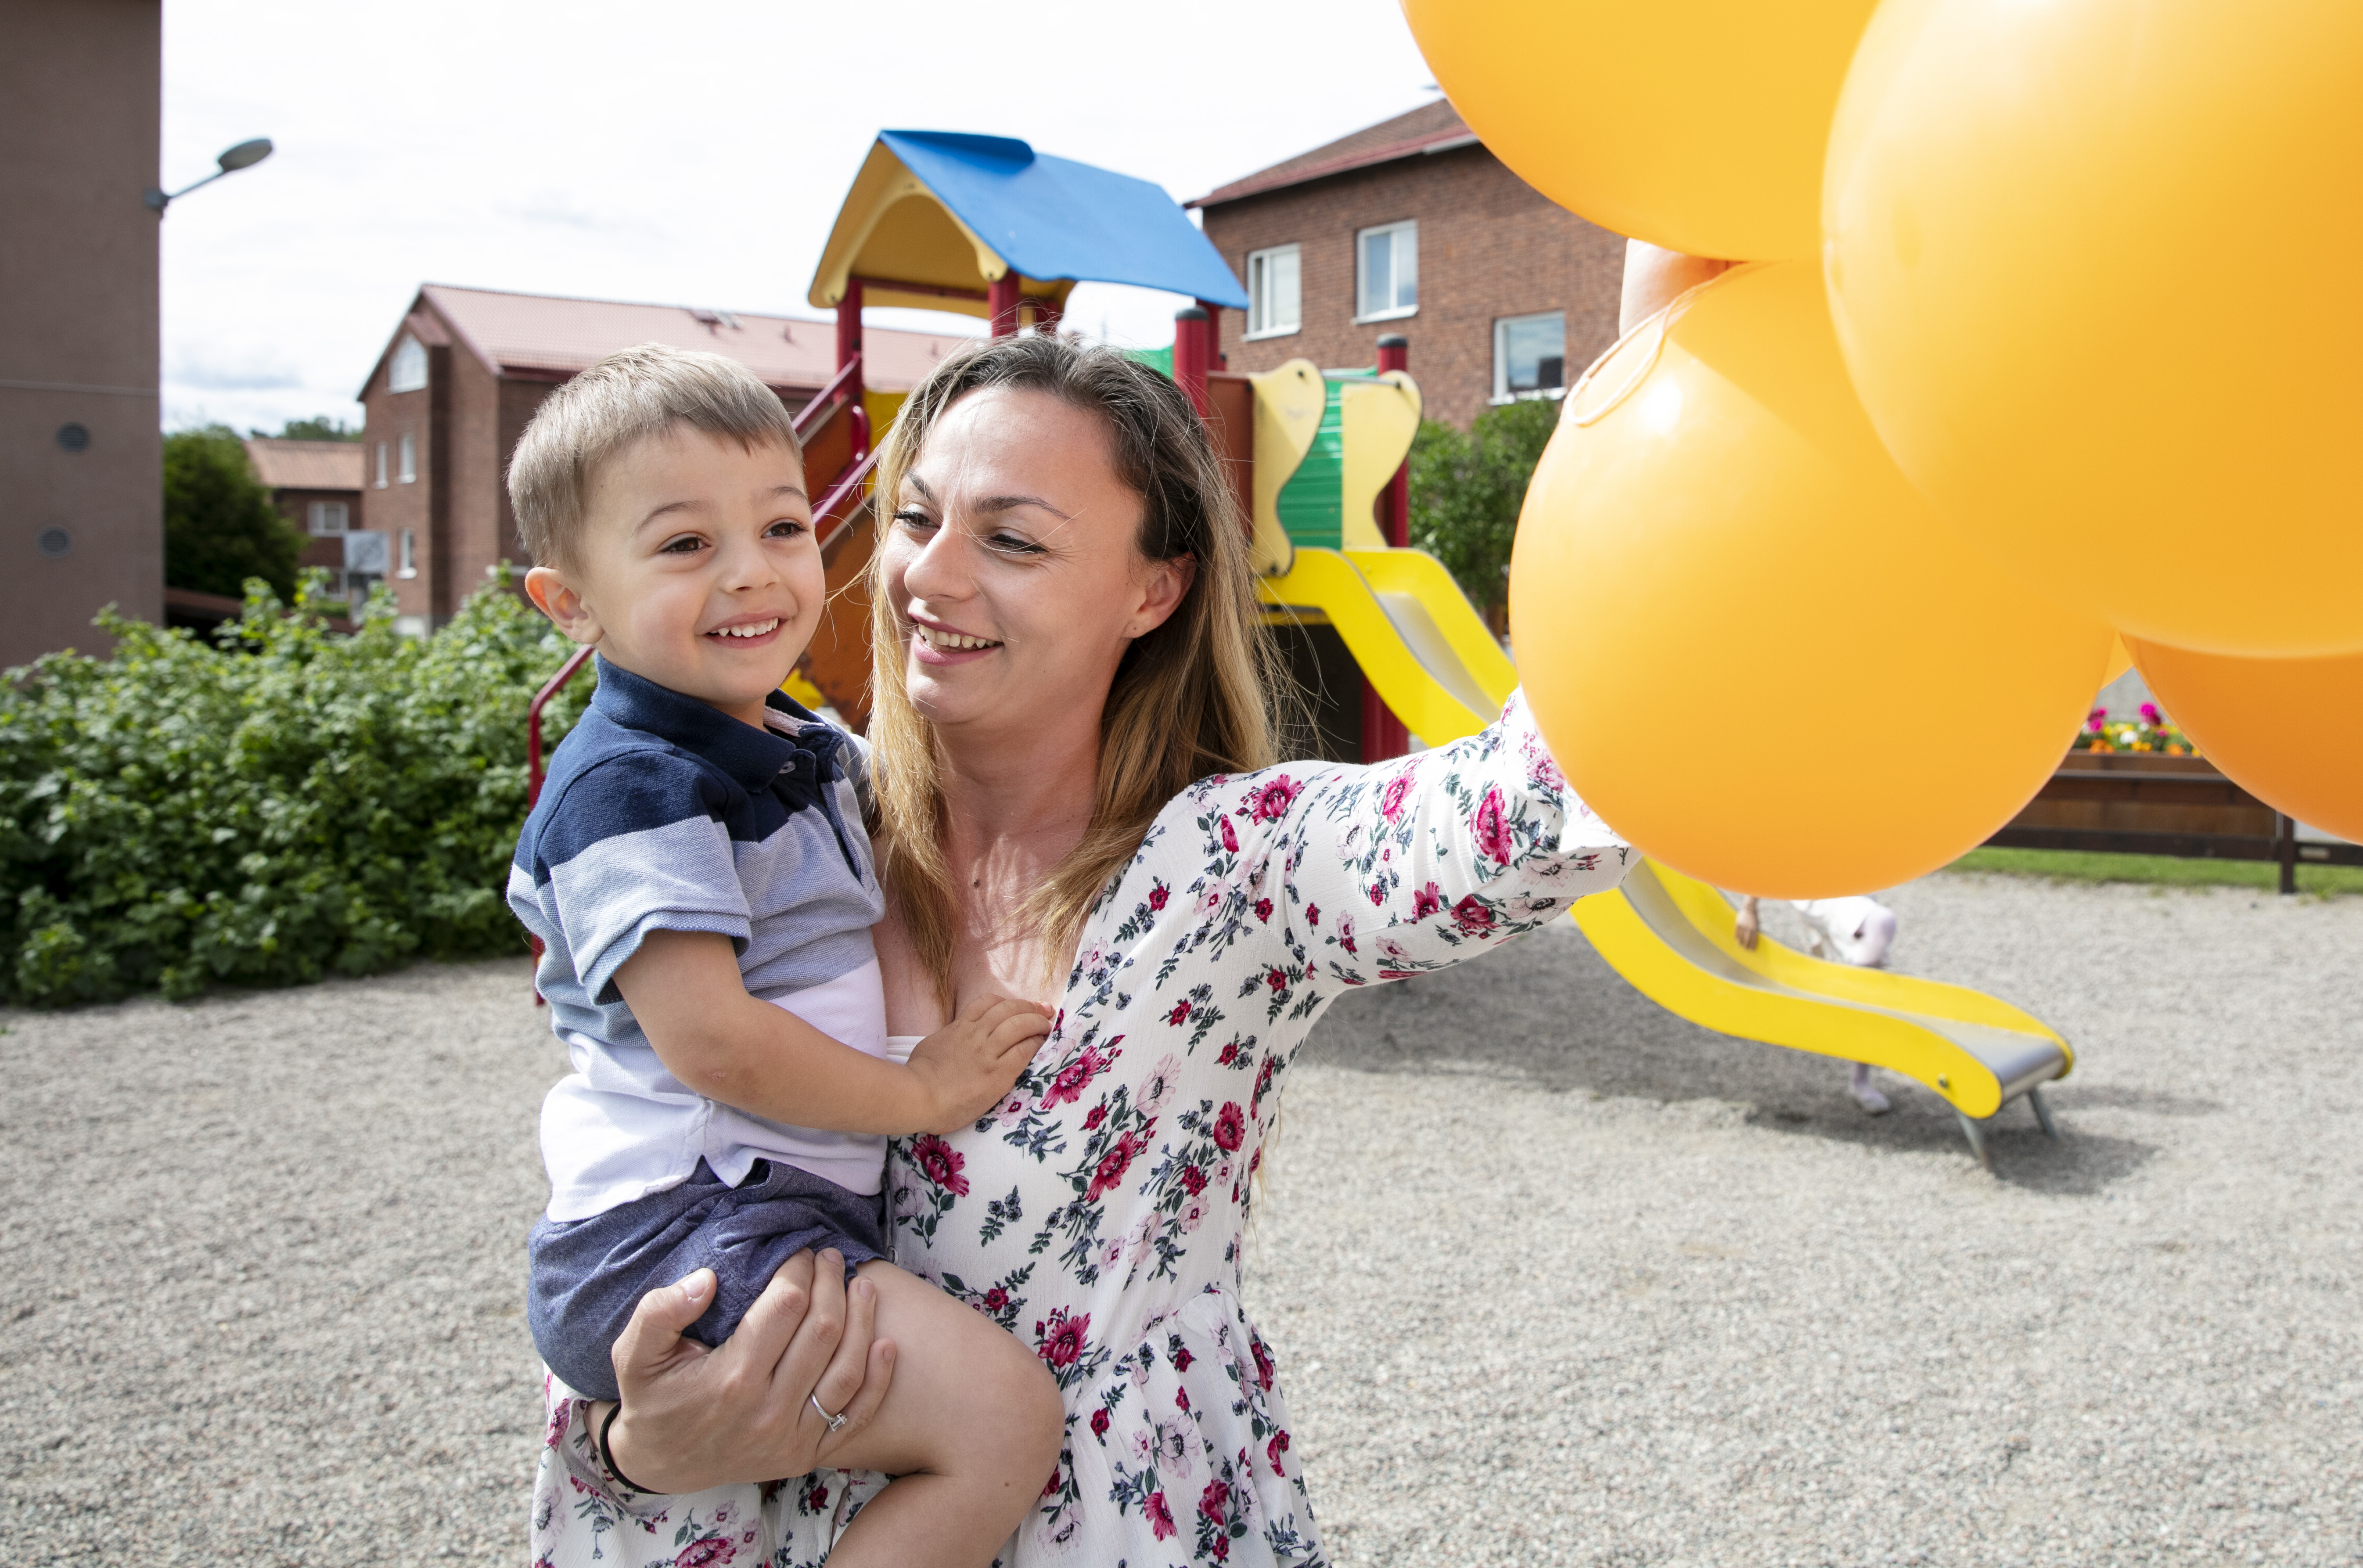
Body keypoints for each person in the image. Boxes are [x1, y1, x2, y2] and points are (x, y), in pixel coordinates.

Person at [526, 333, 1638, 1566]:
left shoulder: (1232, 872)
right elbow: (635, 1221)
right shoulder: (787, 817)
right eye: (913, 517)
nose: (926, 577)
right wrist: (637, 1444)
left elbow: (1538, 811)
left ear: (1153, 589)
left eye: (1012, 538)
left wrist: (1670, 399)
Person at [508, 347, 1065, 1568]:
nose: (753, 570)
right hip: (682, 1229)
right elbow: (710, 1035)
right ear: (571, 603)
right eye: (684, 546)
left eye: (779, 524)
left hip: (753, 1208)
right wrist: (921, 1090)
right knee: (1003, 1416)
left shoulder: (793, 738)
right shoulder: (633, 788)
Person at [1731, 894, 1902, 1114]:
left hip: (1853, 886)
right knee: (1881, 922)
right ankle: (1845, 1000)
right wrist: (1749, 907)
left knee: (1871, 980)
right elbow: (1769, 860)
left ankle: (1860, 1081)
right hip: (1824, 891)